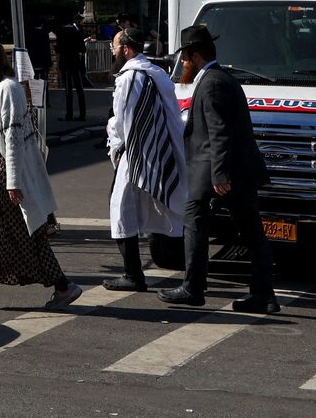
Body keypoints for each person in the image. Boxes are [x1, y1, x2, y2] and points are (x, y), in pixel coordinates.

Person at [0, 38, 81, 311]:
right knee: (14, 235)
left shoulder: (7, 88)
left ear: (0, 60)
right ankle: (62, 286)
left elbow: (13, 136)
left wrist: (13, 181)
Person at [160, 23, 276, 313]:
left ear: (194, 55)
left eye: (185, 58)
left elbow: (219, 131)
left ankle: (193, 288)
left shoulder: (212, 83)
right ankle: (264, 294)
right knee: (251, 232)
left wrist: (220, 174)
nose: (183, 64)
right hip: (235, 170)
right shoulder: (220, 78)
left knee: (195, 223)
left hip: (219, 171)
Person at [104, 28, 186, 291]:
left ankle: (133, 274)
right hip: (157, 149)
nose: (113, 52)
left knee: (121, 208)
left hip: (137, 153)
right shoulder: (155, 72)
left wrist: (115, 142)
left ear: (126, 49)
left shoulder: (131, 77)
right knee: (149, 207)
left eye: (114, 47)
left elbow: (124, 121)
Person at [56, 16, 88, 122]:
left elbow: (58, 50)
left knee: (68, 90)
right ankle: (82, 114)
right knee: (79, 89)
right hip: (75, 62)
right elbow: (83, 49)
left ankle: (69, 114)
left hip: (65, 63)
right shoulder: (77, 32)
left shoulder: (61, 32)